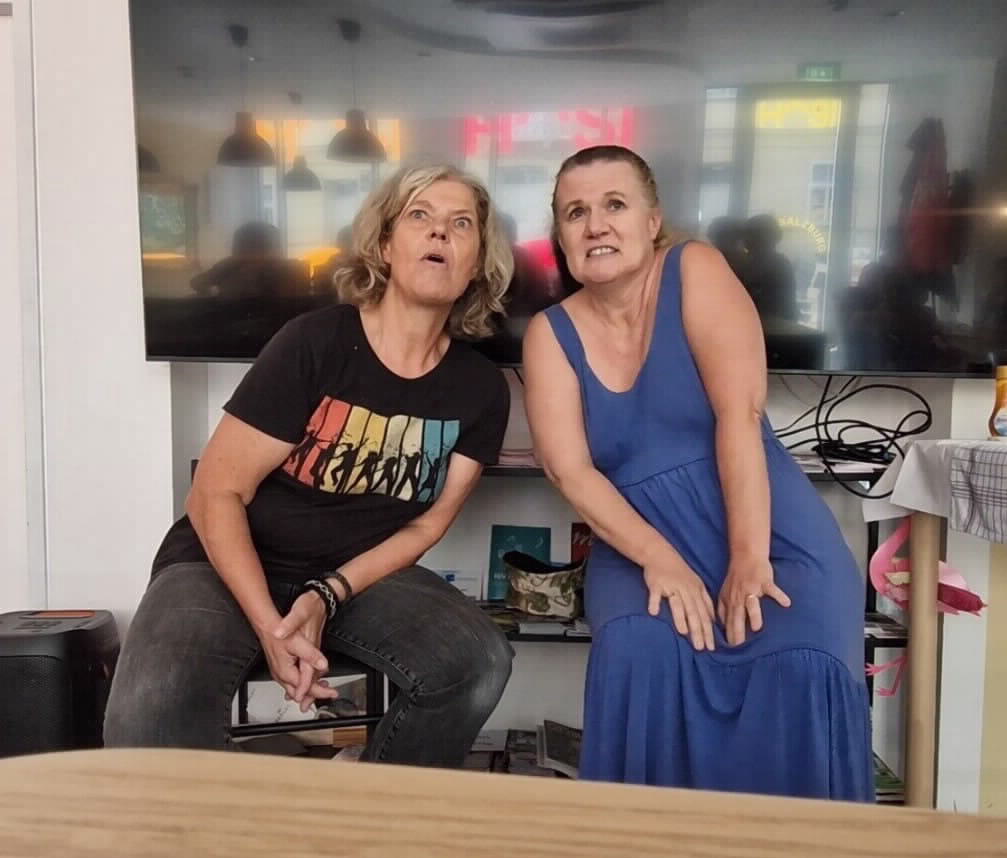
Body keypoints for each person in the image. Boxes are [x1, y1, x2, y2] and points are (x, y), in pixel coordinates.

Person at [104, 163, 517, 767]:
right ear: (385, 244)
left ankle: (376, 814)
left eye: (461, 224)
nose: (439, 233)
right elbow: (215, 494)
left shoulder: (480, 389)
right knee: (147, 712)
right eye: (419, 216)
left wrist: (328, 592)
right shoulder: (314, 343)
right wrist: (272, 628)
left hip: (357, 576)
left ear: (477, 261)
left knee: (477, 662)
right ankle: (220, 825)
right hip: (223, 563)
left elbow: (427, 524)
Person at [522, 145, 874, 801]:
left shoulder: (695, 268)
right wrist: (661, 560)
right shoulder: (549, 334)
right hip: (639, 545)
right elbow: (569, 471)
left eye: (614, 204)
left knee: (803, 662)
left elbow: (739, 417)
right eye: (575, 212)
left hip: (764, 528)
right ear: (561, 238)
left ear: (652, 220)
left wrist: (747, 557)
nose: (595, 225)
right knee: (640, 656)